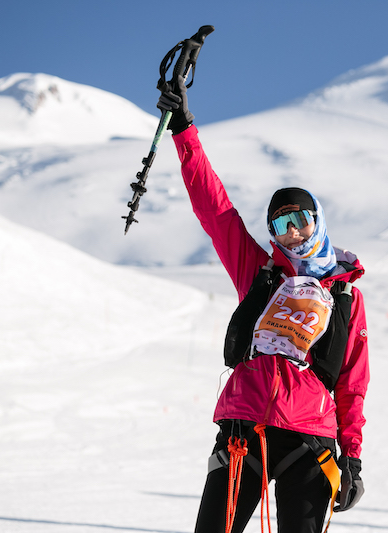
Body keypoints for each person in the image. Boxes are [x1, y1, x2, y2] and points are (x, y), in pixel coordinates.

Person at [157, 76, 369, 533]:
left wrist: (352, 458)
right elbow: (216, 212)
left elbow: (353, 383)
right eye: (280, 224)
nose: (292, 232)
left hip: (311, 441)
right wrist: (184, 131)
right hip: (243, 430)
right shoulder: (260, 273)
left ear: (317, 221)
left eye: (300, 219)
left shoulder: (346, 296)